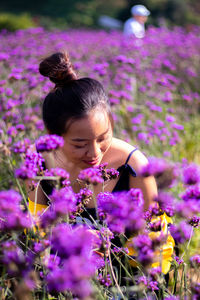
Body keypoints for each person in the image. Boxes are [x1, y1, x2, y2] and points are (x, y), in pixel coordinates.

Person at [27, 51, 157, 213]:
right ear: (52, 135)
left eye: (103, 138)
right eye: (80, 144)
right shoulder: (38, 158)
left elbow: (154, 233)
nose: (95, 153)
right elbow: (36, 226)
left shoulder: (134, 165)